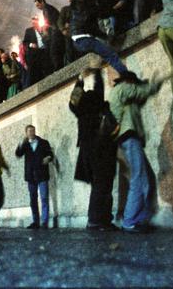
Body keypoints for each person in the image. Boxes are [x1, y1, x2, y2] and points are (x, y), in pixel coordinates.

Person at [108, 70, 166, 233]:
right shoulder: (123, 88)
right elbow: (143, 91)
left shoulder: (125, 96)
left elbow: (141, 96)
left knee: (146, 178)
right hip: (129, 137)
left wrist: (150, 86)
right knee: (139, 178)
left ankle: (140, 218)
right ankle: (130, 220)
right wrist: (155, 84)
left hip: (129, 138)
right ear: (130, 81)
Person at [68, 57, 118, 231]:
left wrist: (79, 81)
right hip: (101, 146)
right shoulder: (97, 102)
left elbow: (73, 101)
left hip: (87, 148)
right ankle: (99, 220)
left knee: (99, 185)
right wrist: (96, 71)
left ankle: (98, 220)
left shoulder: (79, 109)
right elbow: (99, 87)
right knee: (104, 184)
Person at [69, 0, 128, 75]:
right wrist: (106, 36)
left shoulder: (74, 9)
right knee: (110, 55)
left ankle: (95, 66)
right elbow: (93, 28)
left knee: (101, 51)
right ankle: (127, 76)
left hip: (76, 42)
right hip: (85, 39)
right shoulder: (88, 8)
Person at [15, 125, 54, 229]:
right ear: (26, 133)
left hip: (42, 174)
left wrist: (48, 158)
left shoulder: (43, 142)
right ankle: (35, 222)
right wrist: (21, 143)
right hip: (30, 176)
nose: (32, 133)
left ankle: (44, 222)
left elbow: (51, 154)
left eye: (33, 131)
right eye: (29, 131)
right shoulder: (25, 144)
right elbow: (18, 154)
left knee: (44, 198)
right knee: (33, 199)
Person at [35, 0, 64, 72]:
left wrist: (45, 28)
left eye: (38, 5)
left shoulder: (47, 9)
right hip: (56, 31)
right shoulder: (47, 9)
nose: (38, 7)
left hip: (56, 32)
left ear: (42, 2)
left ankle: (59, 68)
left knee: (54, 51)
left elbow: (49, 21)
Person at [23, 17, 52, 86]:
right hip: (34, 54)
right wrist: (31, 44)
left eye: (35, 22)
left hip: (44, 51)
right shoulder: (29, 30)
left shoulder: (43, 29)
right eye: (33, 23)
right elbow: (25, 42)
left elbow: (48, 37)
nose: (34, 24)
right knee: (34, 72)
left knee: (46, 68)